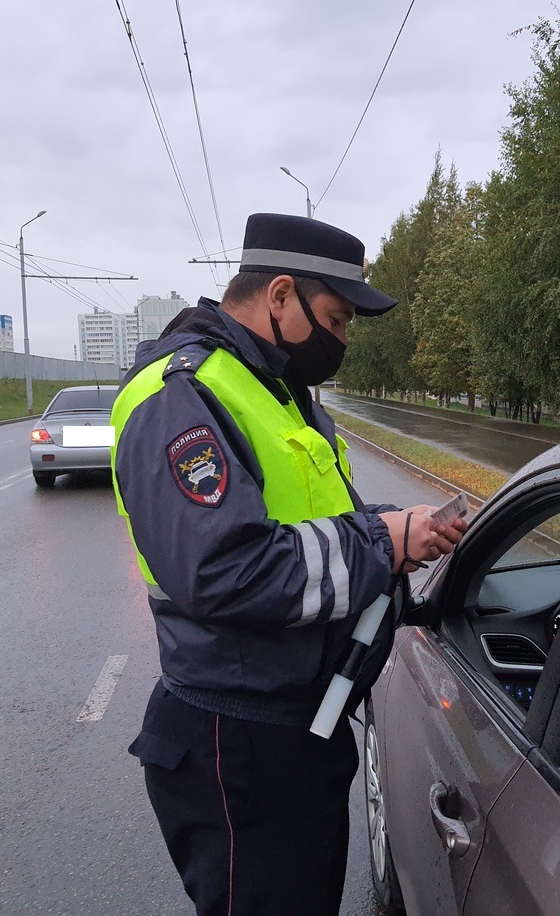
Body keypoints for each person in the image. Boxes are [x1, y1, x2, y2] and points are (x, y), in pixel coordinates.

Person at [110, 212, 467, 916]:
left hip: (293, 733)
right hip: (240, 741)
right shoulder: (183, 395)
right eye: (336, 319)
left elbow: (315, 523)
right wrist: (384, 542)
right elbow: (228, 570)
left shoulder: (276, 391)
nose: (341, 340)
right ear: (279, 297)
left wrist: (407, 526)